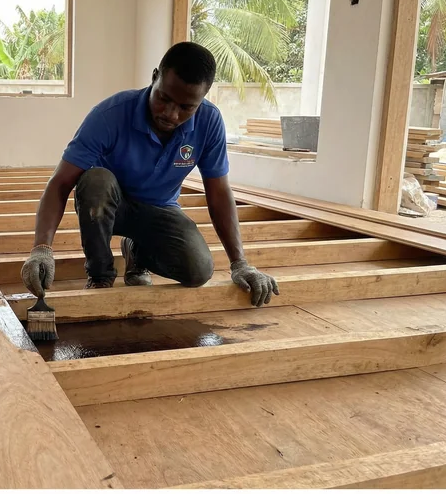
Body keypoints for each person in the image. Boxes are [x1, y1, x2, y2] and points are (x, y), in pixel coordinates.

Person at [20, 41, 279, 308]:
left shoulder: (209, 122)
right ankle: (100, 275)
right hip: (108, 207)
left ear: (202, 100)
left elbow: (219, 193)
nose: (170, 113)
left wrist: (240, 264)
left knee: (198, 270)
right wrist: (42, 249)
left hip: (159, 210)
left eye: (186, 107)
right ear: (155, 77)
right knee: (96, 180)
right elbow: (61, 183)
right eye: (164, 98)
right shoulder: (111, 115)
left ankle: (137, 254)